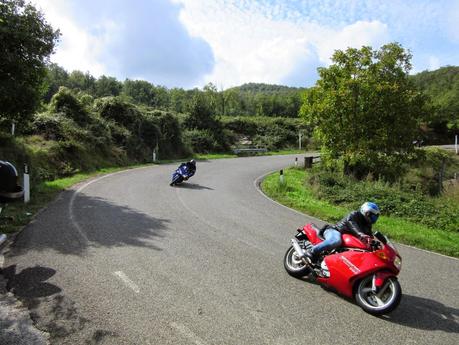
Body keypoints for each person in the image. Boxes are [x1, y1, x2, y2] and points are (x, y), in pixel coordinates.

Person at [305, 202, 380, 263]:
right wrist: (360, 234)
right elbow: (351, 223)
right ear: (366, 212)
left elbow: (369, 236)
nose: (373, 219)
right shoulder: (355, 215)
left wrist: (375, 244)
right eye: (372, 216)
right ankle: (312, 251)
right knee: (335, 241)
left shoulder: (367, 225)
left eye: (375, 218)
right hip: (335, 231)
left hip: (346, 238)